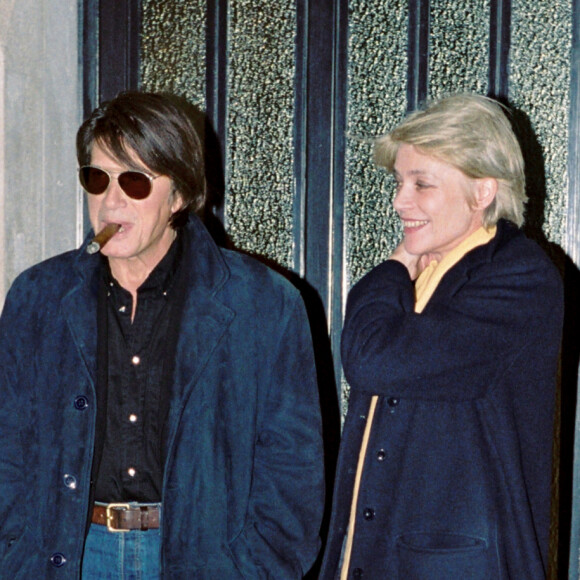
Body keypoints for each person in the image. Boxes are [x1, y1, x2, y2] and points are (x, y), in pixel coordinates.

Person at [0, 91, 324, 578]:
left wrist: (251, 569)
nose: (111, 201)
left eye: (134, 181)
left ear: (179, 194)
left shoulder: (264, 304)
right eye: (97, 178)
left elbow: (293, 474)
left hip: (205, 561)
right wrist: (15, 553)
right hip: (71, 555)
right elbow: (8, 445)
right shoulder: (38, 296)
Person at [319, 94, 564, 579]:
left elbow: (373, 358)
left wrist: (392, 266)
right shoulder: (429, 272)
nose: (398, 201)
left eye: (421, 184)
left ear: (483, 191)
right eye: (399, 182)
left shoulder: (519, 278)